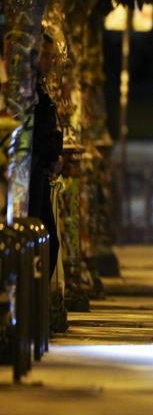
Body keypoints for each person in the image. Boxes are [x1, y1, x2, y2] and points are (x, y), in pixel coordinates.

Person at [29, 33, 63, 279]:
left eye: (52, 56)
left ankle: (36, 304)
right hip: (33, 171)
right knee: (43, 240)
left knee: (48, 241)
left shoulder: (38, 85)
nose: (50, 62)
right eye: (46, 56)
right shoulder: (27, 87)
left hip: (42, 169)